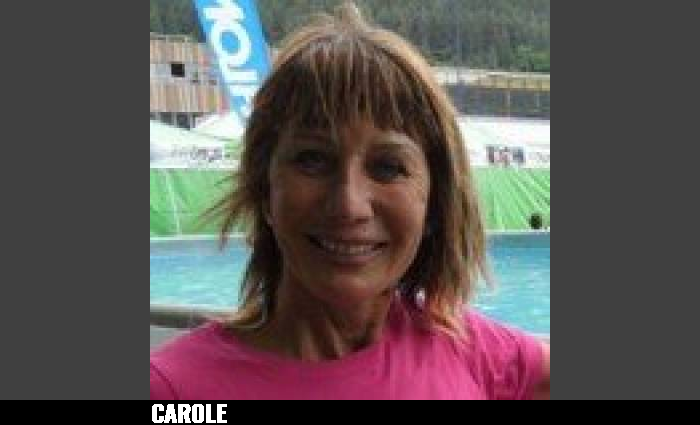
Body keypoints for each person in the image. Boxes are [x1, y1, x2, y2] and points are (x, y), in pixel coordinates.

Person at [151, 2, 550, 400]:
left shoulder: (472, 352)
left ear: (434, 203)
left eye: (388, 167)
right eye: (312, 160)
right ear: (265, 188)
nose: (349, 205)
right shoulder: (174, 393)